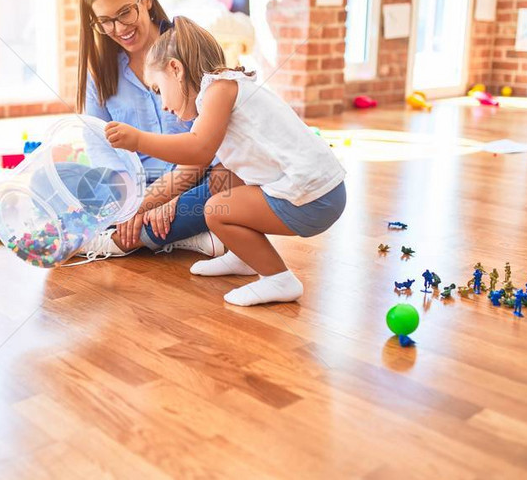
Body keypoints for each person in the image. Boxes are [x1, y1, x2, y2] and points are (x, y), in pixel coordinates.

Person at [105, 17, 347, 306]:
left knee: (216, 211)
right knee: (223, 177)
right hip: (320, 192)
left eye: (158, 90)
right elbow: (197, 168)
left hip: (314, 198)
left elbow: (198, 151)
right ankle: (245, 257)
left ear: (175, 69)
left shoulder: (219, 90)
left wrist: (139, 140)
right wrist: (145, 205)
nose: (164, 105)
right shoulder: (222, 91)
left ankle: (278, 279)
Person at [75, 0, 236, 262]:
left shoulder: (189, 48)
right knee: (68, 188)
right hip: (133, 188)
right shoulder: (98, 74)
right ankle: (184, 238)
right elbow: (102, 152)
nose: (119, 28)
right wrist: (134, 201)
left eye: (125, 13)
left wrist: (163, 198)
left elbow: (208, 145)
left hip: (196, 178)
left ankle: (118, 242)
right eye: (105, 21)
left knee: (228, 189)